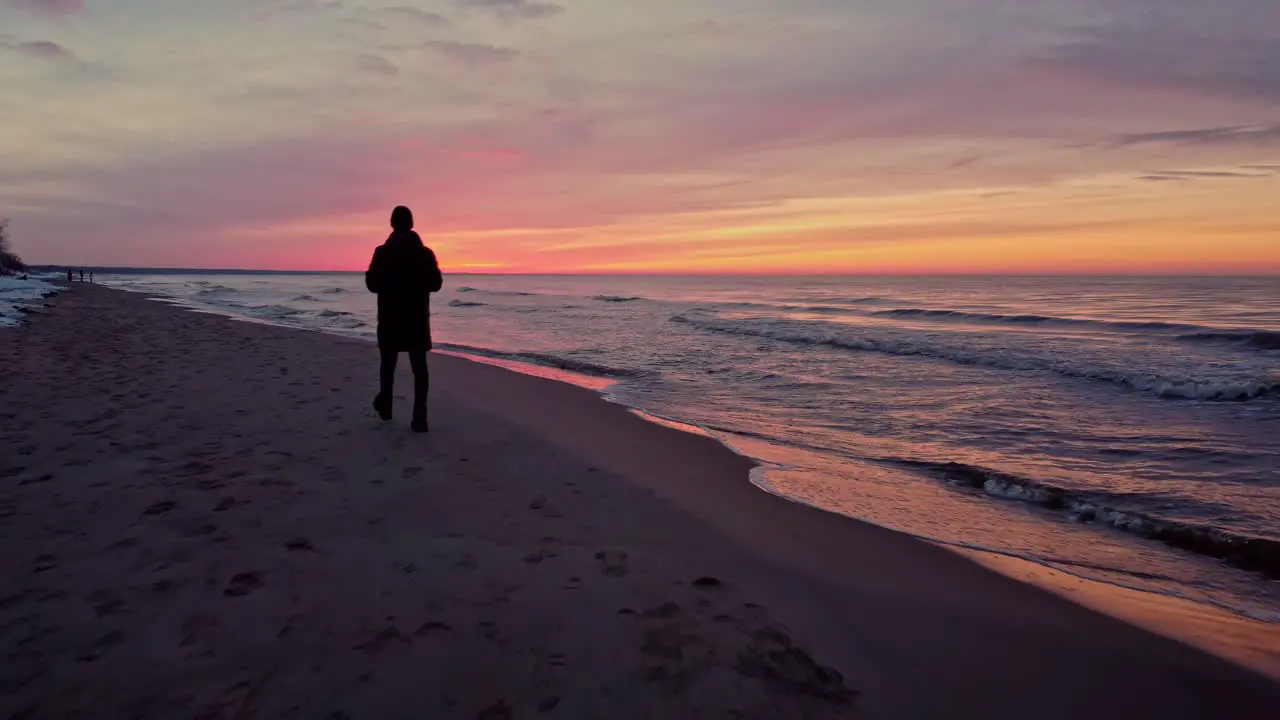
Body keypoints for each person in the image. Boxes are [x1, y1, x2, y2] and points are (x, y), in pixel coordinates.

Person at [365, 205, 443, 433]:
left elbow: (372, 285)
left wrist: (389, 285)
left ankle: (386, 408)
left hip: (390, 317)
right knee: (419, 369)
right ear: (411, 224)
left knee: (387, 366)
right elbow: (436, 285)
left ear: (392, 223)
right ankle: (420, 418)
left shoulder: (381, 252)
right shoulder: (425, 253)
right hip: (416, 319)